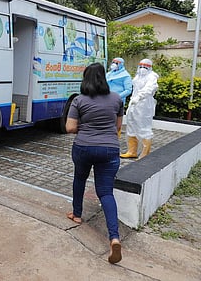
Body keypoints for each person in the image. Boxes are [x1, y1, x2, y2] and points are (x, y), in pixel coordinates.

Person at [65, 62, 123, 264]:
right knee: (106, 192)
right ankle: (114, 237)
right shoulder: (116, 99)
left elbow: (70, 128)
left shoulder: (79, 100)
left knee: (79, 179)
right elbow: (117, 128)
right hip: (109, 149)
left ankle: (77, 214)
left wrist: (87, 126)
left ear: (85, 79)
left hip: (84, 147)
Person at [120, 58, 158, 159]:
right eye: (141, 66)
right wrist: (134, 99)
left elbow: (149, 89)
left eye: (145, 66)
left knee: (144, 127)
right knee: (131, 126)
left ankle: (145, 153)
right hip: (134, 104)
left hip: (145, 105)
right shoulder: (138, 77)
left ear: (150, 67)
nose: (142, 68)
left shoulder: (152, 77)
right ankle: (132, 151)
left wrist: (139, 96)